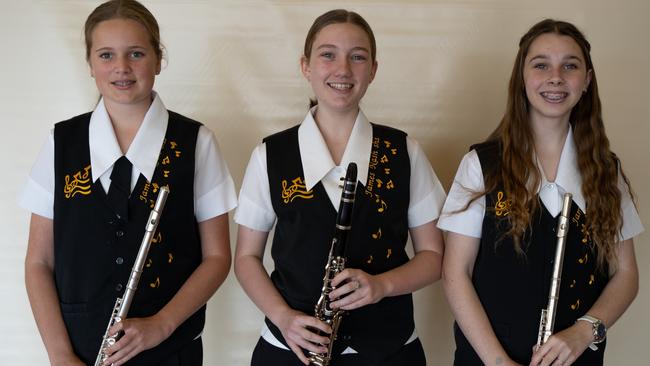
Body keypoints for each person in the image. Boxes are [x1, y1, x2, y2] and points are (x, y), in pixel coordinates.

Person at [19, 1, 236, 365]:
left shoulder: (197, 142)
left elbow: (217, 257)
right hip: (80, 354)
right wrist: (59, 355)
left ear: (158, 59)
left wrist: (162, 324)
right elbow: (38, 261)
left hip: (171, 351)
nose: (121, 67)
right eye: (106, 55)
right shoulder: (62, 142)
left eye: (136, 53)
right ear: (89, 64)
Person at [233, 9, 446, 366]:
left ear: (373, 69)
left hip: (389, 350)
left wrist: (381, 286)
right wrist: (284, 319)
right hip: (291, 349)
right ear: (306, 66)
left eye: (357, 57)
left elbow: (435, 257)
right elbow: (246, 258)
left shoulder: (403, 151)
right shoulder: (270, 155)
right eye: (328, 54)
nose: (343, 69)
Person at [438, 19, 643, 366]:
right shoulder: (480, 165)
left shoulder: (608, 172)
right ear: (522, 76)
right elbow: (455, 273)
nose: (556, 77)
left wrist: (584, 331)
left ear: (587, 81)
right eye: (541, 65)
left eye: (570, 66)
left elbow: (626, 275)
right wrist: (498, 362)